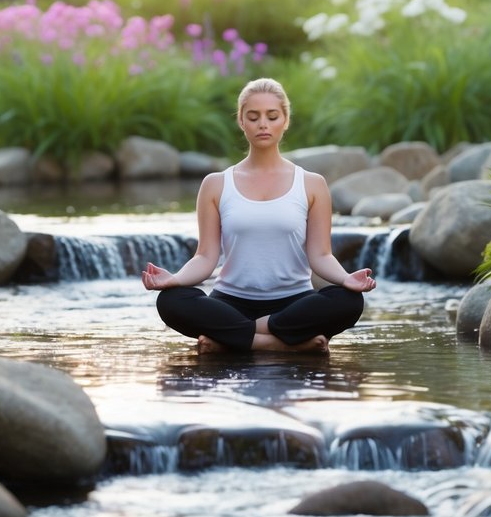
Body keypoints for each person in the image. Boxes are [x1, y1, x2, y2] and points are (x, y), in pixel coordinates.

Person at [141, 78, 375, 354]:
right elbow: (205, 257)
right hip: (230, 302)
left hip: (294, 303)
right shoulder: (216, 184)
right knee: (170, 301)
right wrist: (176, 279)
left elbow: (321, 256)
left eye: (272, 116)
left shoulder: (312, 183)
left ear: (285, 120)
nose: (263, 124)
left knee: (349, 301)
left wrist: (346, 279)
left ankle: (234, 339)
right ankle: (282, 344)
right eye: (253, 117)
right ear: (241, 121)